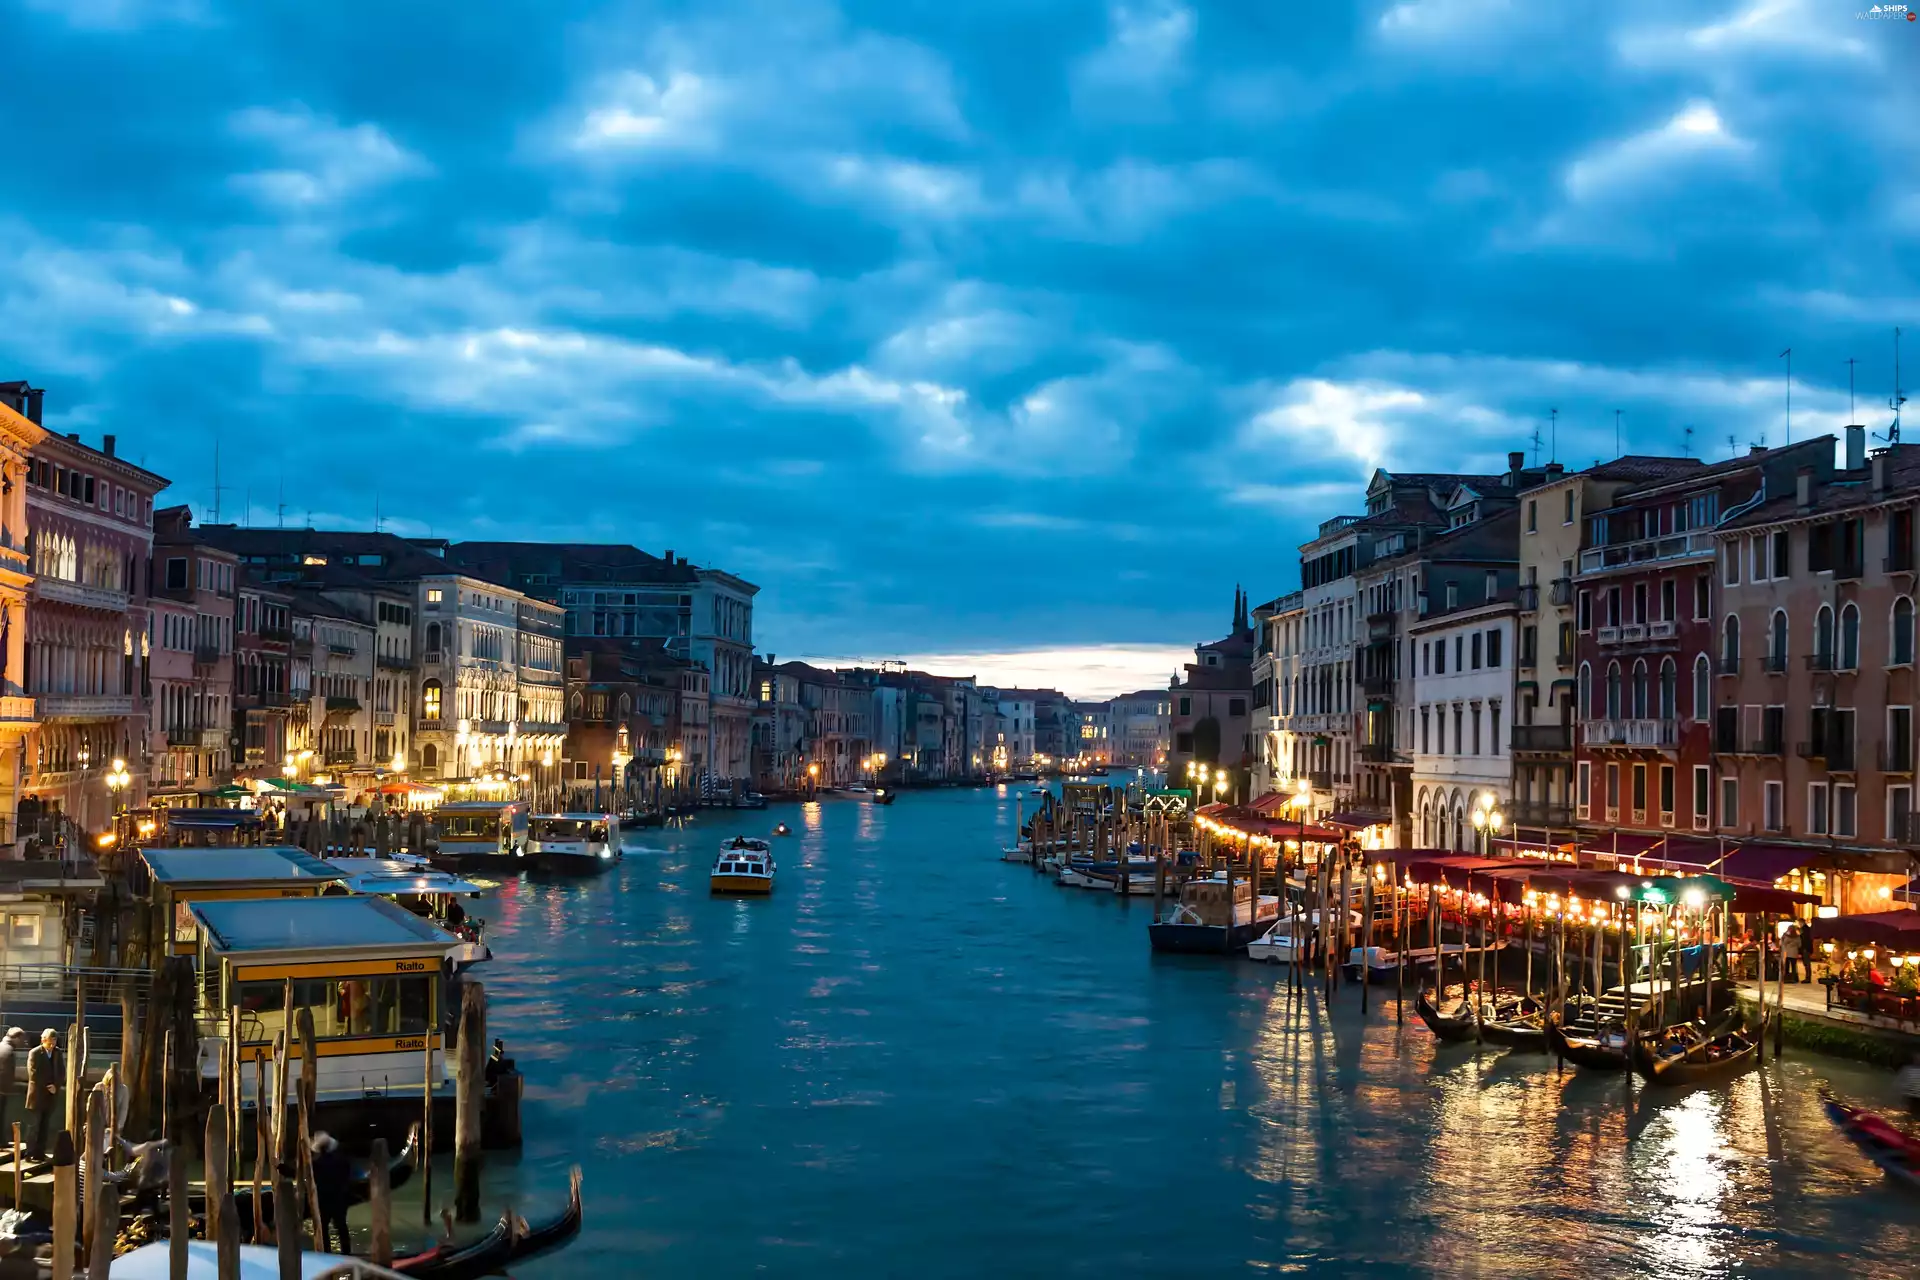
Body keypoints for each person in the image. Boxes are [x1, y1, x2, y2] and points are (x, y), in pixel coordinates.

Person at [310, 1131, 352, 1253]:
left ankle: (326, 1251)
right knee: (341, 1226)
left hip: (323, 1199)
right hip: (339, 1197)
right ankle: (346, 1252)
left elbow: (307, 1177)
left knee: (323, 1228)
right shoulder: (342, 1160)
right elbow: (347, 1176)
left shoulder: (316, 1163)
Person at [25, 1029, 60, 1158]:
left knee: (45, 1125)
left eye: (54, 1042)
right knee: (34, 1126)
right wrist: (47, 1086)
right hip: (37, 1095)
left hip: (50, 1096)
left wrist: (56, 1086)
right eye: (50, 1043)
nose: (52, 1046)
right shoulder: (34, 1053)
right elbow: (33, 1073)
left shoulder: (57, 1053)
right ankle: (30, 1153)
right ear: (43, 1040)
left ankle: (40, 1152)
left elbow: (61, 1072)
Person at [0, 1027, 27, 1142]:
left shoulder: (2, 1047)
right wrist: (7, 1090)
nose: (22, 1042)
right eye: (21, 1039)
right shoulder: (9, 1051)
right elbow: (6, 1073)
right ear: (15, 1038)